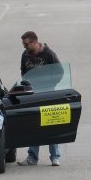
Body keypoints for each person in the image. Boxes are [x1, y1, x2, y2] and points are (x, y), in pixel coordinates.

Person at [17, 30, 62, 166]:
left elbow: (60, 72)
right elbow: (23, 73)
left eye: (26, 44)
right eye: (23, 44)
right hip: (32, 95)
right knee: (33, 124)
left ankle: (55, 156)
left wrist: (50, 85)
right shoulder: (25, 55)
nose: (24, 47)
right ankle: (32, 157)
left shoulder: (49, 54)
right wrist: (26, 86)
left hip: (48, 94)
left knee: (51, 124)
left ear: (35, 42)